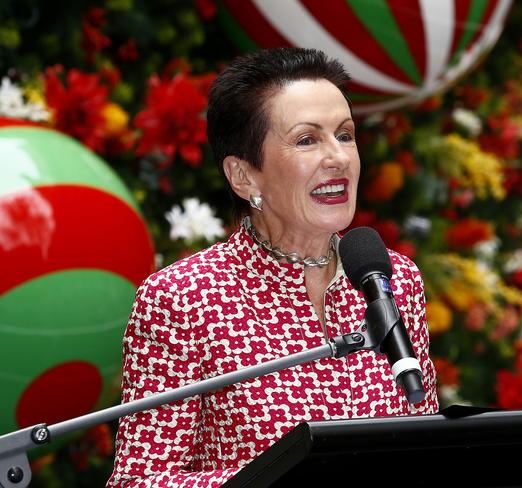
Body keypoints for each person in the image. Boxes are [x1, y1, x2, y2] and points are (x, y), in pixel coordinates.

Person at [107, 47, 438, 487]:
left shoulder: (391, 279)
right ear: (244, 176)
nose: (338, 157)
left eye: (345, 134)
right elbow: (139, 480)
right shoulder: (184, 299)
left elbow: (426, 441)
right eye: (307, 139)